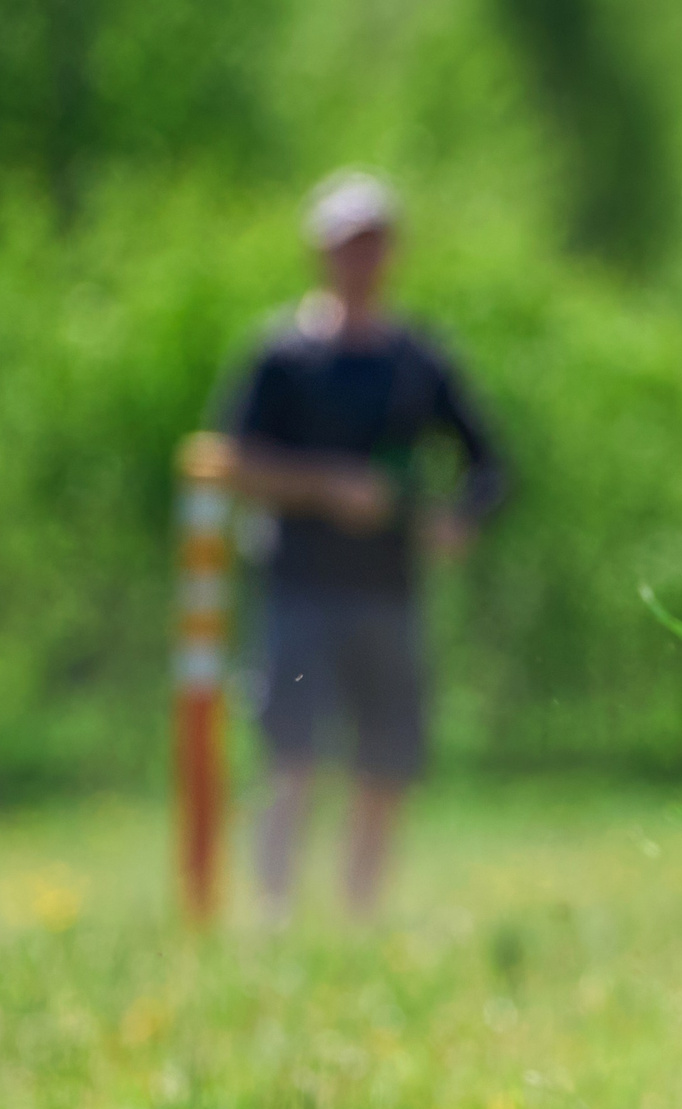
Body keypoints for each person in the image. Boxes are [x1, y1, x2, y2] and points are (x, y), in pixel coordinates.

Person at [221, 170, 508, 921]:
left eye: (375, 245)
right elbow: (234, 461)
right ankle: (274, 912)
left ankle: (361, 916)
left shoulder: (417, 360)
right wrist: (329, 487)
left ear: (393, 253)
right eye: (349, 245)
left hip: (389, 590)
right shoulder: (281, 355)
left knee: (385, 761)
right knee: (291, 754)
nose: (362, 260)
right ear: (321, 252)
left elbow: (490, 465)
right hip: (298, 584)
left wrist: (458, 518)